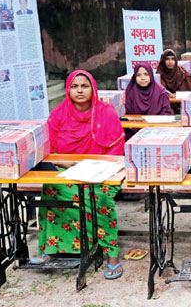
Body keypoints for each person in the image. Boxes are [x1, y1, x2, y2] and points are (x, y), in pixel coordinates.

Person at [37, 70, 126, 279]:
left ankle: (111, 253)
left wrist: (96, 167)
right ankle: (53, 248)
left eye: (84, 86)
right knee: (51, 189)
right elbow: (49, 149)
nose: (79, 90)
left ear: (92, 88)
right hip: (67, 170)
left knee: (99, 195)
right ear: (68, 89)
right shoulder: (59, 113)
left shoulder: (106, 112)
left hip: (103, 171)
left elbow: (116, 149)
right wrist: (63, 162)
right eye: (74, 86)